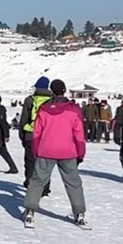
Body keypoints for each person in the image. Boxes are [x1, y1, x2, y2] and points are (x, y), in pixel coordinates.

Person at [23, 80, 87, 228]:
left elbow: (37, 132)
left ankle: (30, 210)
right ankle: (79, 212)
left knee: (38, 181)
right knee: (73, 183)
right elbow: (79, 134)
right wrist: (80, 152)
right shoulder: (73, 109)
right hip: (68, 151)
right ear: (64, 91)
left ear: (51, 91)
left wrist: (35, 149)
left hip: (46, 150)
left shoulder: (44, 109)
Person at [19, 77, 53, 195]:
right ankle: (45, 187)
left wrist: (22, 135)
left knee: (30, 161)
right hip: (46, 136)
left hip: (31, 135)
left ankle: (29, 182)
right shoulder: (52, 100)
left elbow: (24, 118)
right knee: (45, 163)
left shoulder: (30, 100)